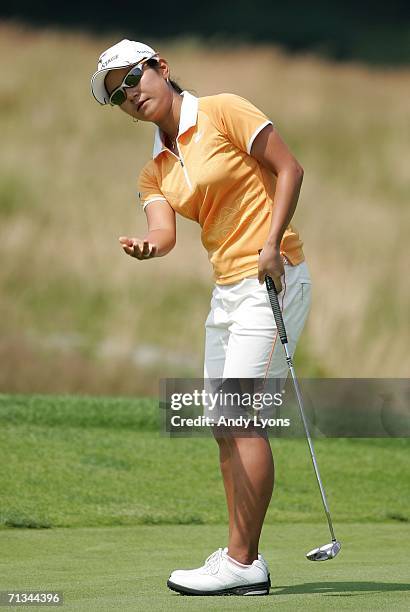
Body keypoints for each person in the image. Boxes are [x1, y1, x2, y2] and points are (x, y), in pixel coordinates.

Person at [91, 39, 312, 596]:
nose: (129, 94)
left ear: (160, 67)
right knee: (222, 425)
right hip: (228, 292)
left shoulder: (223, 110)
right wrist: (149, 247)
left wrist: (269, 244)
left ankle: (242, 563)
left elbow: (290, 169)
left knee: (241, 416)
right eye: (116, 94)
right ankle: (240, 559)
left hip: (273, 275)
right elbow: (165, 234)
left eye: (132, 78)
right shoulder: (155, 170)